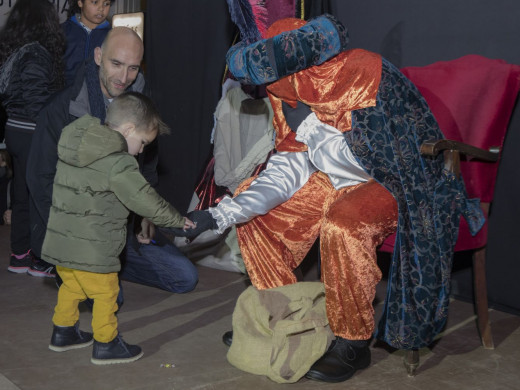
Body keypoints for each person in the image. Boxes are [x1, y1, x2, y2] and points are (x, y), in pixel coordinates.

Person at [174, 15, 485, 383]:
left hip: (390, 180)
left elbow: (378, 157)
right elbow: (288, 167)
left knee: (344, 221)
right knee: (259, 219)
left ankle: (351, 341)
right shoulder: (284, 92)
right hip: (330, 178)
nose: (269, 89)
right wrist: (220, 214)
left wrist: (308, 124)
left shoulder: (363, 75)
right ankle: (288, 319)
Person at [26, 26, 198, 292]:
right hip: (70, 228)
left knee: (183, 277)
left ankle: (111, 265)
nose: (123, 77)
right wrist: (72, 238)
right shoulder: (61, 109)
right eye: (116, 63)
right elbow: (40, 180)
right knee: (96, 298)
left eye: (132, 68)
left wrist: (146, 216)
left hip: (119, 228)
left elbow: (147, 171)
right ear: (98, 56)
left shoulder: (141, 109)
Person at [44, 91, 195, 364]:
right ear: (128, 130)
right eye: (142, 142)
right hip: (94, 250)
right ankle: (106, 343)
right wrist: (176, 221)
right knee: (106, 293)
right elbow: (144, 199)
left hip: (62, 245)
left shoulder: (76, 146)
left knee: (72, 287)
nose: (141, 150)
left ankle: (63, 332)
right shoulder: (119, 162)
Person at [0, 0, 66, 274]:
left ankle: (19, 256)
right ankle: (40, 259)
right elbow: (37, 100)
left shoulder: (14, 51)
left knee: (21, 194)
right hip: (32, 132)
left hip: (13, 131)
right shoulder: (37, 54)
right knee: (41, 195)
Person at [62, 0, 115, 86]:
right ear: (80, 2)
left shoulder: (114, 37)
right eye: (95, 2)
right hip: (64, 95)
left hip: (99, 96)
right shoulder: (62, 32)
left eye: (106, 4)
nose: (101, 8)